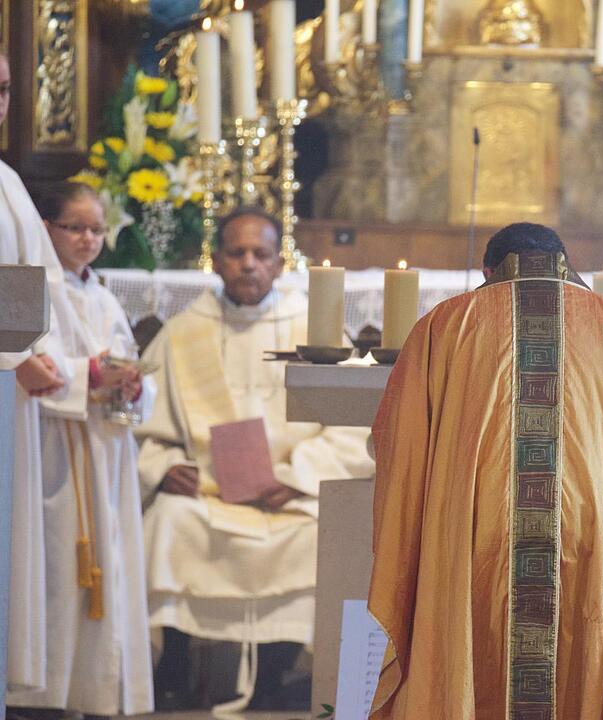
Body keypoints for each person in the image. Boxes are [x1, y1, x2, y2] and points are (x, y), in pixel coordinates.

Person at [368, 223, 603, 719]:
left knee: (473, 656)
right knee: (589, 657)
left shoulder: (444, 326)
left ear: (488, 271)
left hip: (476, 533)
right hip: (598, 534)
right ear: (567, 265)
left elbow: (398, 447)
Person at [136, 207, 374, 710]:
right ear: (216, 262)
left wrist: (297, 476)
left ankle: (276, 673)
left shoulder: (318, 334)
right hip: (205, 492)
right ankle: (172, 667)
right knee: (168, 524)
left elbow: (355, 427)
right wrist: (164, 467)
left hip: (286, 495)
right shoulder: (181, 333)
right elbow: (141, 425)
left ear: (280, 264)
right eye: (236, 252)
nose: (248, 264)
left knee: (315, 536)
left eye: (260, 254)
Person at [7, 183, 155, 716]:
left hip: (105, 453)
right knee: (56, 577)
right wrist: (86, 377)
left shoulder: (104, 296)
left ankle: (94, 694)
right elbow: (29, 367)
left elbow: (131, 360)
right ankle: (47, 695)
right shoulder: (42, 289)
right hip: (57, 453)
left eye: (97, 229)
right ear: (48, 230)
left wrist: (135, 386)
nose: (89, 239)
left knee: (108, 575)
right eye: (77, 227)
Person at [0, 48, 87, 698]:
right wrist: (12, 357)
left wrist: (38, 357)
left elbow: (42, 293)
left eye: (3, 90)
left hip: (12, 402)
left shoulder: (5, 183)